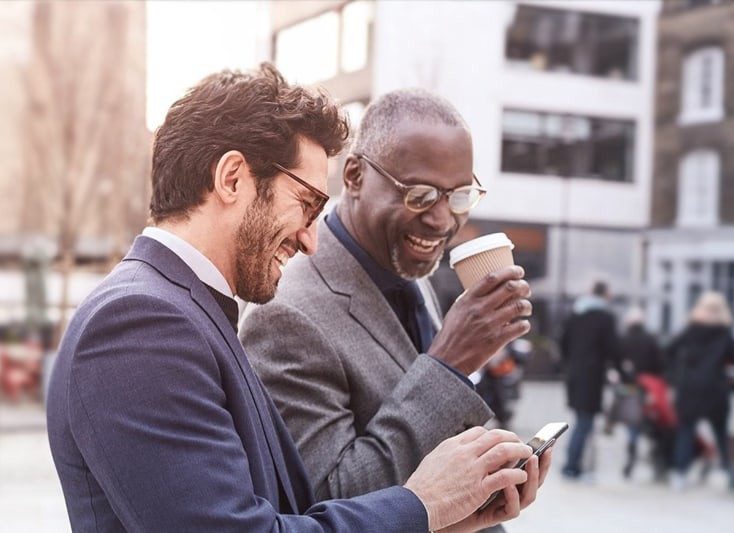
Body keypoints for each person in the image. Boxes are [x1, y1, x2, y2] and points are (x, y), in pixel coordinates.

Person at [46, 64, 543, 532]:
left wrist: (445, 517)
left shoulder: (186, 309)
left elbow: (291, 512)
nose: (310, 239)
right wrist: (422, 505)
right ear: (233, 178)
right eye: (306, 203)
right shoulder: (141, 323)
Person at [239, 88, 548, 532]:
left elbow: (438, 458)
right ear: (355, 176)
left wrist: (493, 484)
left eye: (459, 196)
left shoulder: (407, 269)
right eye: (420, 195)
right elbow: (327, 502)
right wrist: (451, 363)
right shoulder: (286, 316)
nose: (442, 220)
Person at [667, 291, 734, 491]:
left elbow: (669, 350)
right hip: (715, 388)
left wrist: (676, 376)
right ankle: (729, 474)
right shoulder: (724, 333)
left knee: (685, 432)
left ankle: (680, 474)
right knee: (720, 433)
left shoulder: (690, 330)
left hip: (689, 388)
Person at [560, 280, 621, 480]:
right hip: (592, 376)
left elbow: (563, 343)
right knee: (585, 422)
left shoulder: (575, 314)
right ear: (604, 295)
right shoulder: (605, 317)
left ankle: (574, 463)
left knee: (580, 419)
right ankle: (572, 465)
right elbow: (613, 348)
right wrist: (620, 370)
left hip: (574, 374)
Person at [614, 306, 664, 478]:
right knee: (652, 425)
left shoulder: (622, 339)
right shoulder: (651, 339)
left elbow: (616, 364)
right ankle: (657, 461)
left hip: (628, 388)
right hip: (648, 388)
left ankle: (631, 458)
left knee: (632, 426)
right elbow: (659, 365)